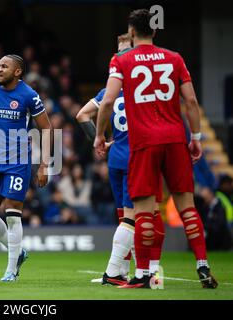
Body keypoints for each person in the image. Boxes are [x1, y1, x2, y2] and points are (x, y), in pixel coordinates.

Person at [94, 9, 217, 289]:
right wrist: (195, 136)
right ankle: (203, 265)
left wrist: (99, 135)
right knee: (187, 206)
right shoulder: (175, 58)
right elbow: (192, 103)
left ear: (132, 32)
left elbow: (108, 101)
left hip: (144, 142)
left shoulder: (121, 60)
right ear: (155, 31)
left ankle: (144, 274)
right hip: (175, 138)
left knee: (144, 210)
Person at [76, 34, 165, 286]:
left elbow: (82, 115)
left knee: (128, 216)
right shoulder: (145, 89)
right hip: (138, 156)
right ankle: (139, 271)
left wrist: (100, 139)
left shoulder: (109, 92)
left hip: (116, 157)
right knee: (141, 216)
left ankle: (131, 271)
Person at [0, 54, 52, 281]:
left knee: (12, 214)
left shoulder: (29, 95)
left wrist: (44, 164)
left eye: (4, 66)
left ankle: (11, 271)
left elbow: (46, 128)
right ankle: (18, 252)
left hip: (18, 162)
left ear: (17, 72)